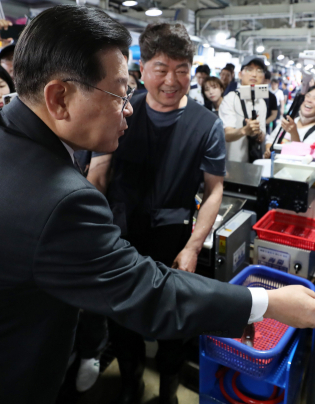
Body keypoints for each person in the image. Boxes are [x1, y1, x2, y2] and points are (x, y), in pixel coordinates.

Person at [0, 6, 315, 404]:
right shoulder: (60, 201)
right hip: (0, 377)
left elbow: (211, 190)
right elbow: (151, 294)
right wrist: (270, 302)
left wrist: (190, 246)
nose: (129, 106)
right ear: (59, 97)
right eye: (118, 93)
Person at [86, 22, 244, 404]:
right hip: (120, 232)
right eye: (161, 68)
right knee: (122, 318)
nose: (171, 80)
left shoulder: (206, 124)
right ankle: (131, 383)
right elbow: (99, 171)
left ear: (192, 70)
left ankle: (169, 391)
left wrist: (193, 247)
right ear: (143, 71)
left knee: (175, 320)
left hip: (173, 234)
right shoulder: (122, 109)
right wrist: (90, 230)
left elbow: (213, 190)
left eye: (181, 69)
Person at [219, 56, 267, 162]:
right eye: (249, 69)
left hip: (255, 163)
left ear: (263, 77)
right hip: (233, 164)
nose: (254, 74)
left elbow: (262, 136)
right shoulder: (230, 98)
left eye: (259, 71)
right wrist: (245, 130)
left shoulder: (261, 102)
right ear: (240, 74)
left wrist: (258, 133)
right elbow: (227, 135)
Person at [264, 85, 315, 158]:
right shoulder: (290, 120)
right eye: (308, 96)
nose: (309, 100)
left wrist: (294, 133)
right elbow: (271, 140)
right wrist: (268, 150)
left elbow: (303, 156)